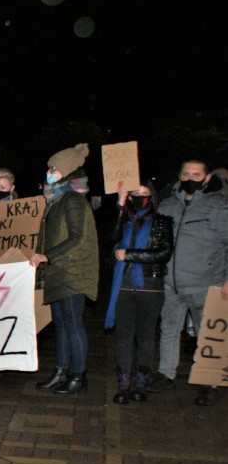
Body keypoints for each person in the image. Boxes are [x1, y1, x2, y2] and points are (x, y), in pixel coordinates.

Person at [150, 160, 228, 406]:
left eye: (196, 174)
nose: (191, 178)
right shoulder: (167, 204)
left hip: (205, 283)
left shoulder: (218, 205)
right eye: (186, 173)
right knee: (169, 330)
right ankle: (165, 373)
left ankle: (209, 383)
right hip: (171, 283)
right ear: (180, 176)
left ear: (206, 178)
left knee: (210, 335)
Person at [30, 143, 99, 396]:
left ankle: (79, 376)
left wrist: (48, 256)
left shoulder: (72, 200)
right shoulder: (59, 199)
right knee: (60, 324)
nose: (49, 172)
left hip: (72, 273)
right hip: (59, 273)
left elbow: (78, 237)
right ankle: (61, 371)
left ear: (67, 170)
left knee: (73, 324)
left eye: (54, 168)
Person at [104, 182, 173, 404]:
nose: (141, 198)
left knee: (145, 336)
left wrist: (131, 254)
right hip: (123, 286)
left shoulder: (163, 222)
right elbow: (111, 237)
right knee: (124, 337)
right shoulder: (123, 220)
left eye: (145, 194)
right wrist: (120, 203)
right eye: (136, 194)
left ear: (152, 197)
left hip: (150, 287)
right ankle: (123, 385)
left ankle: (140, 385)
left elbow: (163, 253)